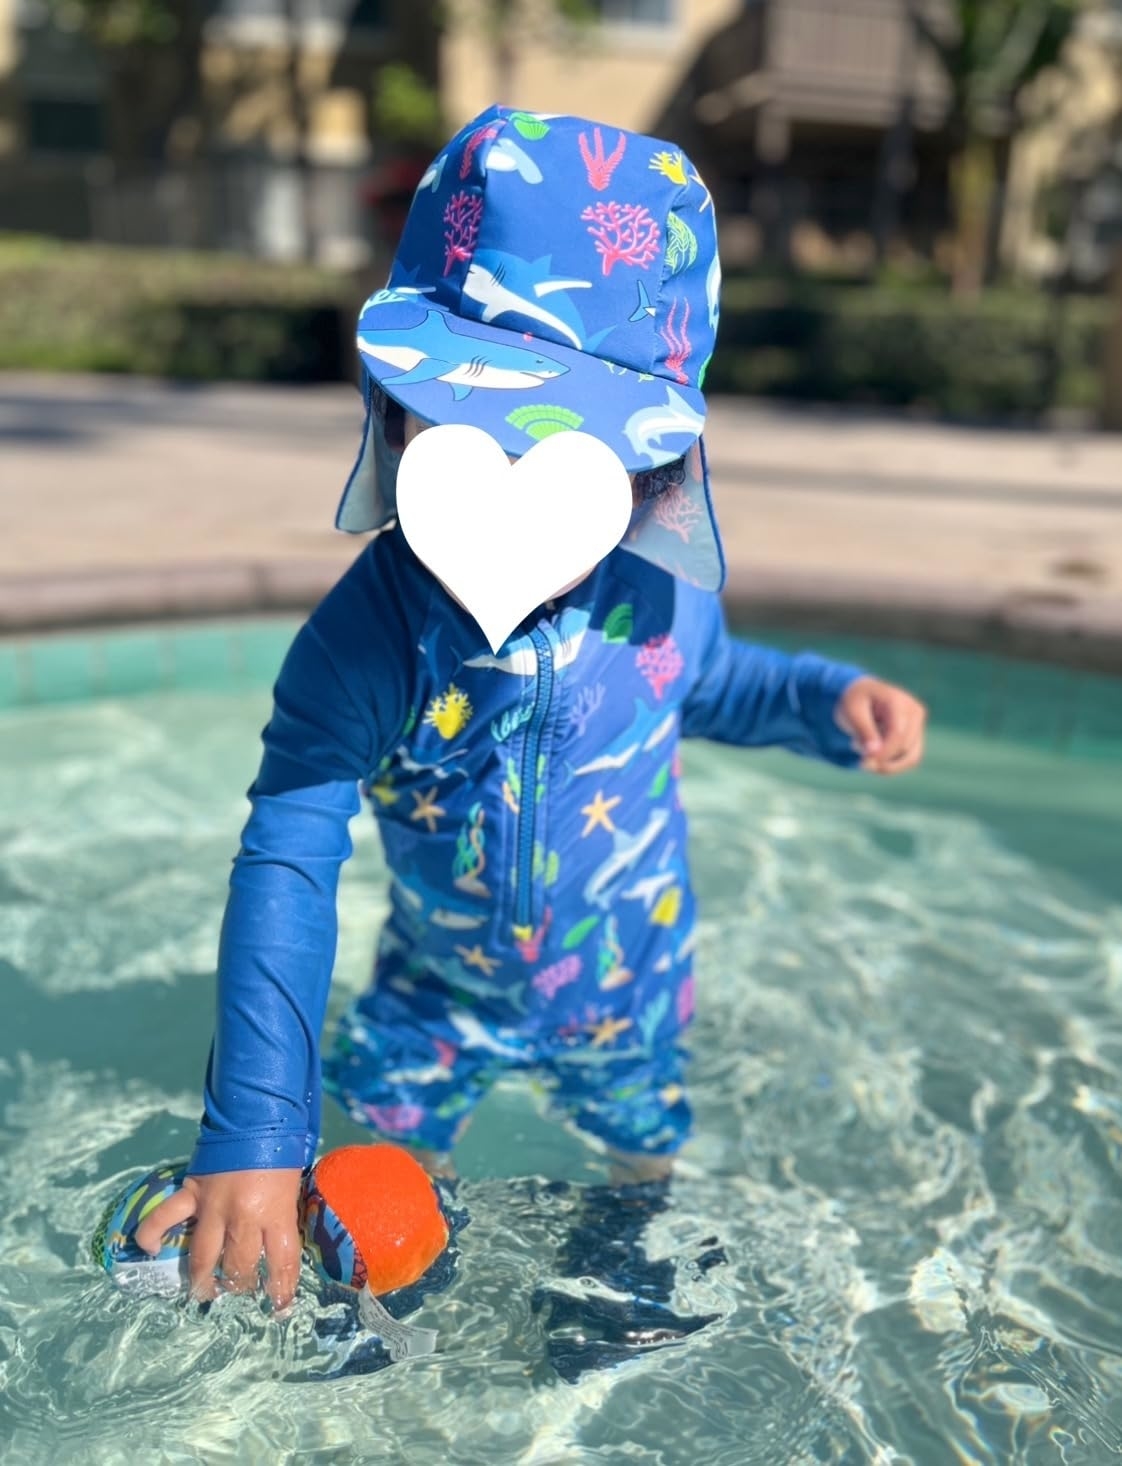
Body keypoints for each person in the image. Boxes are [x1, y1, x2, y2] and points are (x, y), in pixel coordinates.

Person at [136, 106, 926, 1313]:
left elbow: (722, 685)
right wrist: (254, 1127)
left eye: (559, 445)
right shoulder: (369, 638)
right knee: (383, 1236)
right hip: (435, 999)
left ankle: (613, 1284)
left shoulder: (655, 602)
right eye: (462, 427)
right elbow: (287, 851)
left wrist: (831, 701)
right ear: (392, 412)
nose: (504, 478)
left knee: (638, 1201)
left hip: (627, 994)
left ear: (650, 471)